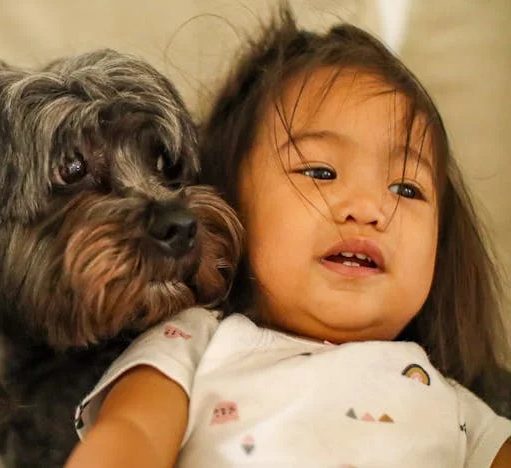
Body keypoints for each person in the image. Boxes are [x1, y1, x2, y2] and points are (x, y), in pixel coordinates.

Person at [66, 7, 511, 467]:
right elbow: (131, 434)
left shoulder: (458, 410)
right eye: (321, 171)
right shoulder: (191, 344)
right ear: (229, 201)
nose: (369, 209)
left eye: (406, 188)